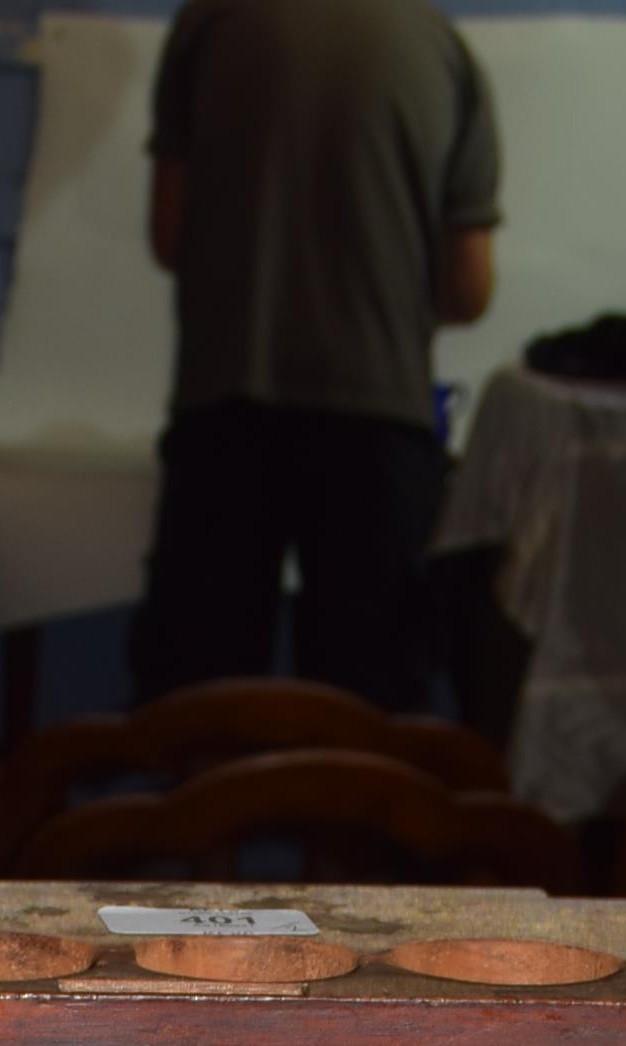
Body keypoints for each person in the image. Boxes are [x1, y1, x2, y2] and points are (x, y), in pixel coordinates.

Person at [133, 0, 499, 714]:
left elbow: (172, 236)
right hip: (378, 418)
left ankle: (211, 819)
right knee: (368, 725)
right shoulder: (442, 47)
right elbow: (468, 288)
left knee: (199, 713)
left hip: (225, 402)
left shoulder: (210, 24)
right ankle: (341, 828)